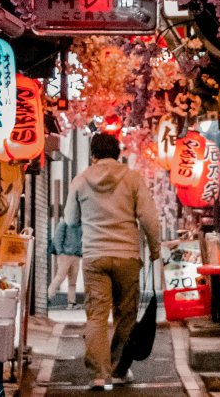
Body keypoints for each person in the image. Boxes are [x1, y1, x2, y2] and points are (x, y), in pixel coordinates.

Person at [64, 132, 161, 390]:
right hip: (127, 255)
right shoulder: (132, 178)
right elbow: (149, 218)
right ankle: (119, 369)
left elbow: (70, 219)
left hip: (95, 256)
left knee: (96, 316)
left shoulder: (81, 180)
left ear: (92, 154)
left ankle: (98, 374)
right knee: (125, 314)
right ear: (118, 153)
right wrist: (154, 250)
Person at [47, 218, 83, 309]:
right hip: (65, 255)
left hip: (75, 255)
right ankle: (48, 296)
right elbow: (58, 238)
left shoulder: (80, 224)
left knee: (72, 281)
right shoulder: (64, 222)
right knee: (60, 277)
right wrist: (60, 252)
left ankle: (71, 303)